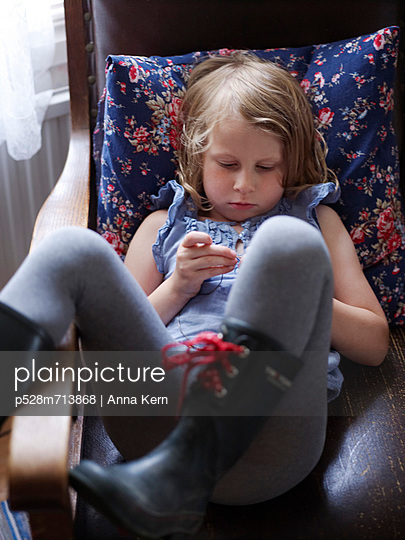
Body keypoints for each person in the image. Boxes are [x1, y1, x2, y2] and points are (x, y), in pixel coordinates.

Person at [0, 52, 388, 537]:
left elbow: (374, 345)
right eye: (227, 164)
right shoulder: (162, 226)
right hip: (156, 426)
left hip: (270, 440)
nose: (245, 185)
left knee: (286, 243)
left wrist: (297, 293)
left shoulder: (315, 222)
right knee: (72, 248)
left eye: (267, 167)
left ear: (289, 168)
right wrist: (177, 286)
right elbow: (105, 341)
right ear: (196, 157)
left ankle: (190, 464)